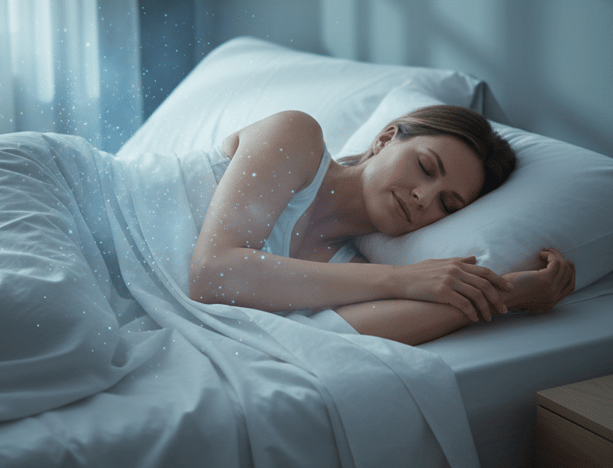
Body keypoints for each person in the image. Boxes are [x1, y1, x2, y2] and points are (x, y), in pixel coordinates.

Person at [190, 105, 575, 345]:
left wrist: (510, 293)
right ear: (386, 138)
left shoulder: (353, 273)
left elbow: (326, 338)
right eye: (425, 167)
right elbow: (212, 275)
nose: (424, 198)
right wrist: (401, 278)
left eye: (447, 203)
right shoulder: (296, 136)